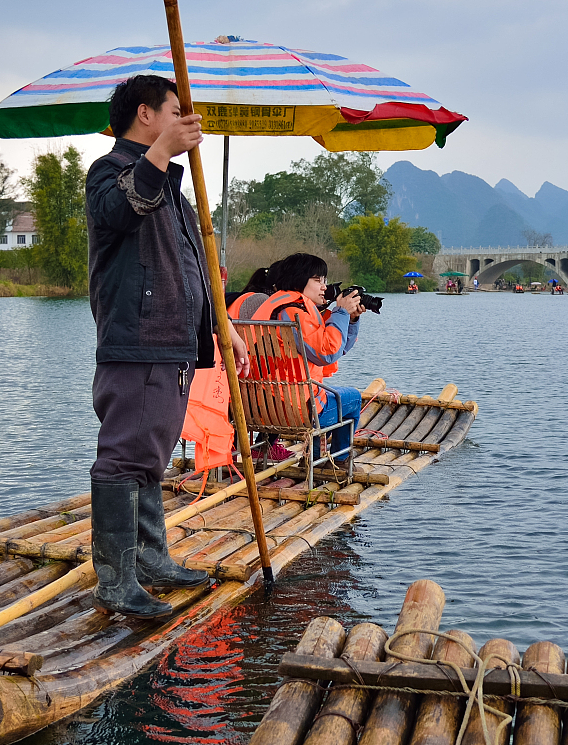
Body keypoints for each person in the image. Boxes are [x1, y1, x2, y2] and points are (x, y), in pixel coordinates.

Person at [85, 74, 247, 620]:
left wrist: (221, 324)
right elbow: (122, 209)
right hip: (137, 341)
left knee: (151, 456)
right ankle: (115, 581)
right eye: (176, 111)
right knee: (123, 458)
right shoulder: (110, 173)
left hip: (174, 343)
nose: (186, 121)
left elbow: (191, 264)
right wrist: (160, 154)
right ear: (145, 114)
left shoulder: (173, 185)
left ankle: (152, 559)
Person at [229, 254, 363, 464]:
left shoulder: (274, 305)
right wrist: (341, 312)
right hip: (296, 412)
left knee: (327, 394)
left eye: (325, 281)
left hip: (257, 407)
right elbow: (327, 353)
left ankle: (317, 459)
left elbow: (336, 348)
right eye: (318, 280)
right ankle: (335, 462)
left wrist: (351, 319)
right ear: (300, 279)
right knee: (353, 398)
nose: (324, 287)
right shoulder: (294, 312)